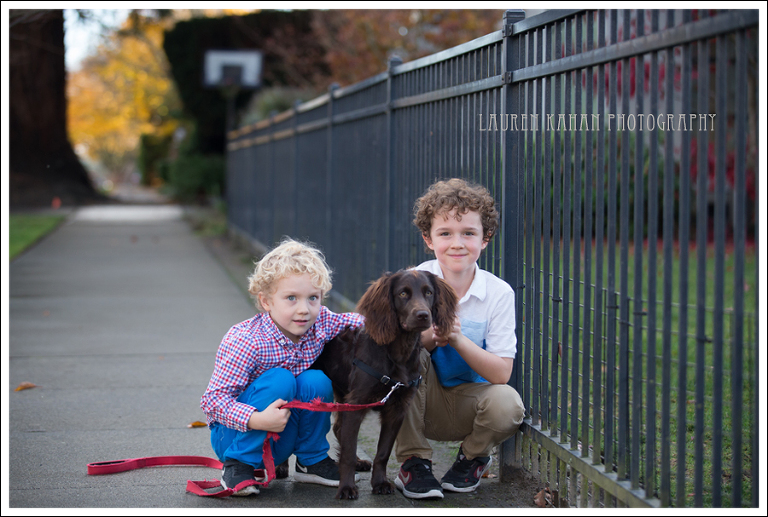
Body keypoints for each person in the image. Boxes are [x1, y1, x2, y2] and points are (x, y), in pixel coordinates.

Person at [394, 178, 526, 499]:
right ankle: (413, 462)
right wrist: (431, 336)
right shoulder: (412, 282)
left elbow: (501, 374)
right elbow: (393, 356)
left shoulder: (498, 293)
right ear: (428, 239)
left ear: (485, 238)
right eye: (445, 233)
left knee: (508, 403)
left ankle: (472, 457)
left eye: (468, 233)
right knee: (405, 356)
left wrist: (457, 339)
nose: (457, 243)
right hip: (419, 404)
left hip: (471, 403)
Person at [200, 238, 363, 496]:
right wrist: (256, 419)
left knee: (316, 380)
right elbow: (213, 401)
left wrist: (403, 327)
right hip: (233, 437)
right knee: (280, 379)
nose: (304, 309)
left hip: (280, 436)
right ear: (266, 301)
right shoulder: (245, 340)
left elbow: (358, 322)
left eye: (313, 298)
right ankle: (238, 466)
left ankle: (311, 460)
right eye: (291, 298)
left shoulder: (320, 322)